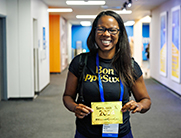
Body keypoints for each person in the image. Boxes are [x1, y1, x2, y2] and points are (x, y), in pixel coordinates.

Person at [63, 10, 151, 138]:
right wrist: (74, 107)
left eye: (112, 30)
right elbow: (67, 96)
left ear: (120, 33)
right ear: (94, 32)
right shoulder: (80, 62)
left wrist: (139, 105)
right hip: (86, 133)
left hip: (121, 133)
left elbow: (146, 100)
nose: (106, 34)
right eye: (101, 29)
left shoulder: (129, 65)